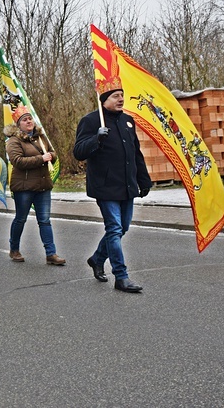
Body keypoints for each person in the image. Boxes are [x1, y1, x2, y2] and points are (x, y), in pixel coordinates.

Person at [73, 86, 152, 293]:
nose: (121, 99)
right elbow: (79, 152)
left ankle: (97, 258)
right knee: (114, 229)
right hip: (105, 186)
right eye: (116, 96)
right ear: (104, 100)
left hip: (127, 185)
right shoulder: (91, 121)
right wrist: (96, 139)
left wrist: (144, 180)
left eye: (122, 96)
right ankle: (121, 276)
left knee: (122, 228)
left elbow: (136, 153)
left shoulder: (127, 121)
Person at [4, 105, 66, 265]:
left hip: (43, 185)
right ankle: (14, 249)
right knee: (20, 219)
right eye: (24, 119)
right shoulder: (13, 140)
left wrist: (51, 156)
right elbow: (17, 161)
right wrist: (41, 159)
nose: (28, 121)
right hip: (24, 187)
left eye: (30, 118)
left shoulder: (40, 137)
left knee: (45, 220)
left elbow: (52, 153)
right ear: (18, 124)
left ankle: (51, 254)